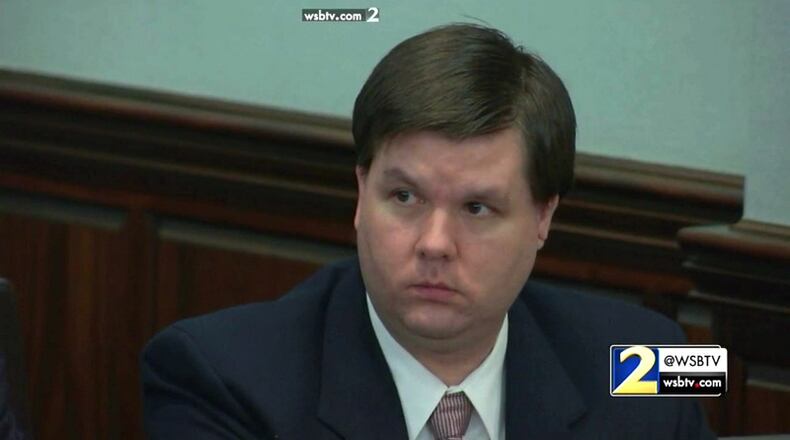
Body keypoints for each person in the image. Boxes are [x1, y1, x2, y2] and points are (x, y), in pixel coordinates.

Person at [142, 23, 715, 439]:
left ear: (543, 217)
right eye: (405, 197)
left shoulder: (656, 361)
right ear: (361, 193)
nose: (434, 243)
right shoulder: (217, 378)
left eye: (477, 208)